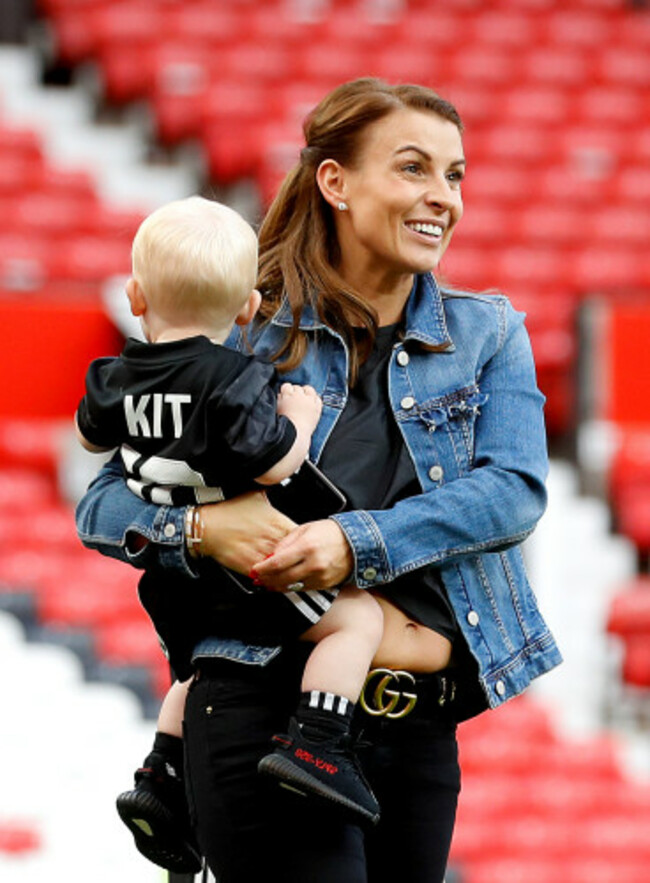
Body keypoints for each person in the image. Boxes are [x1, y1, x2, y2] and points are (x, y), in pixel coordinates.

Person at [76, 77, 562, 883]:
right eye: (413, 168)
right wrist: (201, 529)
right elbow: (105, 500)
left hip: (421, 728)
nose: (441, 196)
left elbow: (513, 489)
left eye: (455, 175)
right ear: (334, 181)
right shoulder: (241, 327)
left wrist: (353, 543)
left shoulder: (492, 332)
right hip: (259, 716)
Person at [74, 195, 386, 873]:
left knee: (197, 662)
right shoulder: (236, 379)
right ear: (247, 308)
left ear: (134, 295)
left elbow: (91, 432)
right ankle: (319, 739)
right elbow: (276, 460)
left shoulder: (112, 376)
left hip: (172, 583)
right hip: (244, 578)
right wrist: (299, 419)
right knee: (354, 621)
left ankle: (160, 771)